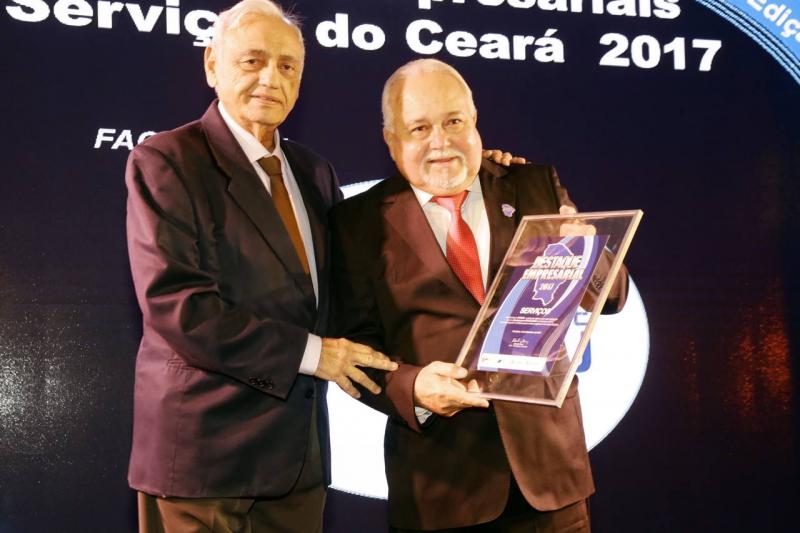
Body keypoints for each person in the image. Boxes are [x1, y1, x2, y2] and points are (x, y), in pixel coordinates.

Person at [124, 1, 399, 531]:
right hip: (206, 465)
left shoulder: (315, 172)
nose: (271, 78)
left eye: (287, 65)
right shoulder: (167, 161)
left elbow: (342, 295)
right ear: (212, 64)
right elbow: (180, 308)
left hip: (297, 466)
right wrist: (314, 354)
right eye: (252, 61)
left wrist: (473, 178)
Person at [330, 59, 629, 532]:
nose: (440, 141)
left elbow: (611, 297)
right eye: (419, 128)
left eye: (453, 121)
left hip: (549, 480)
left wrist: (590, 254)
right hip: (441, 489)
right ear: (391, 140)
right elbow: (354, 349)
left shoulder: (532, 184)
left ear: (474, 120)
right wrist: (414, 389)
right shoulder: (356, 224)